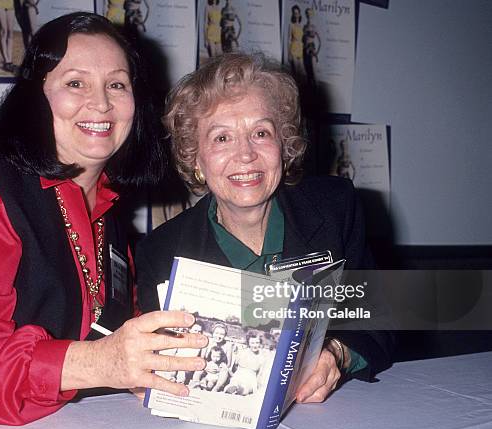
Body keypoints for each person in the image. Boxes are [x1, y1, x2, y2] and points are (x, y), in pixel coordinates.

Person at [0, 12, 208, 424]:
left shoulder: (106, 209)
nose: (101, 103)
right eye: (76, 83)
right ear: (35, 97)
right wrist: (97, 363)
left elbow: (108, 330)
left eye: (117, 84)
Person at [136, 53, 394, 404]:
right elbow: (159, 366)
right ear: (195, 159)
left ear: (284, 147)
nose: (245, 155)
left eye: (260, 133)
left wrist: (338, 353)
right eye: (222, 138)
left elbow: (380, 315)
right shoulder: (162, 253)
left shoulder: (335, 208)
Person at [303, 7, 321, 89]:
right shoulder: (304, 26)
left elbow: (320, 41)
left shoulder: (314, 27)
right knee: (308, 72)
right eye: (307, 13)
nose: (308, 15)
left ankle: (317, 91)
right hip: (305, 50)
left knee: (314, 72)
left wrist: (317, 52)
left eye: (309, 14)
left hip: (311, 50)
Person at [287, 5, 305, 82]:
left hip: (301, 49)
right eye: (294, 13)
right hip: (293, 48)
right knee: (295, 72)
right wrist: (289, 54)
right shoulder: (291, 25)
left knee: (301, 71)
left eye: (297, 13)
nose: (296, 15)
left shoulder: (302, 26)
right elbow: (289, 39)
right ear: (293, 14)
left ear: (300, 14)